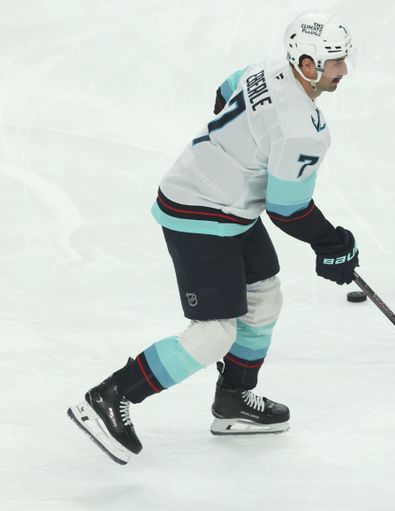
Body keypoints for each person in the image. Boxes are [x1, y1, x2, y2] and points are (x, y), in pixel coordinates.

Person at [67, 11, 359, 465]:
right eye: (335, 61)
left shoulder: (267, 69)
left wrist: (236, 154)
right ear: (307, 64)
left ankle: (233, 401)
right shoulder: (302, 129)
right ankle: (109, 397)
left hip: (222, 203)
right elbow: (288, 209)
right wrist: (332, 245)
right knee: (213, 335)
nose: (344, 70)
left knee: (264, 298)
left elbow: (225, 91)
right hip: (200, 213)